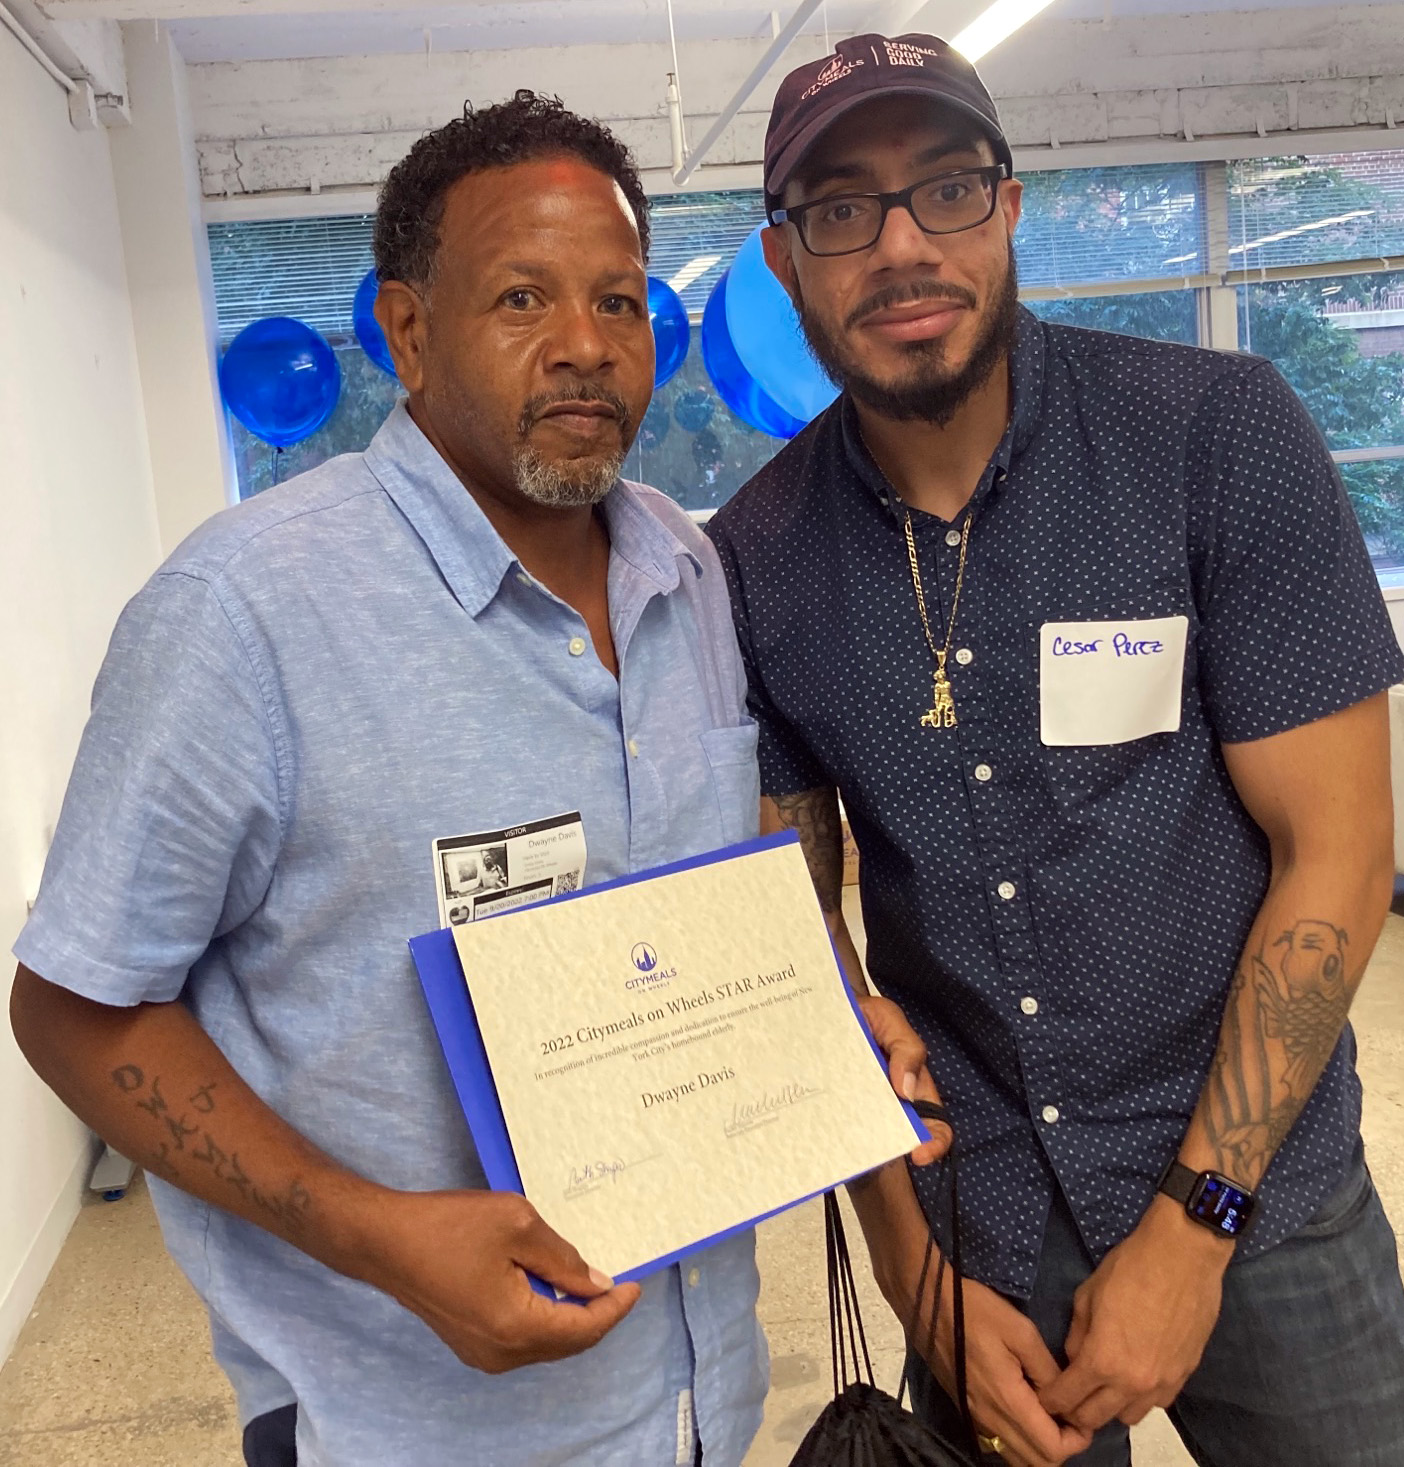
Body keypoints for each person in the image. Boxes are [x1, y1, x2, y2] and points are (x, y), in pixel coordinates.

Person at [9, 92, 937, 1467]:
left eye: (621, 303)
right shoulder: (243, 616)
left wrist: (827, 1017)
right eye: (521, 297)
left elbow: (710, 892)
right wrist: (378, 1234)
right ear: (406, 332)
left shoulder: (689, 572)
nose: (584, 348)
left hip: (698, 1392)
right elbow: (75, 1010)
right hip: (405, 1420)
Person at [707, 32, 1404, 1467]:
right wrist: (914, 1275)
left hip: (1260, 1191)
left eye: (946, 190)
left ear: (1010, 208)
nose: (902, 248)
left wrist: (1197, 1228)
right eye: (841, 209)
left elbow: (1338, 852)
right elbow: (798, 950)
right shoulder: (757, 563)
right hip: (978, 1222)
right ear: (785, 261)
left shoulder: (1215, 441)